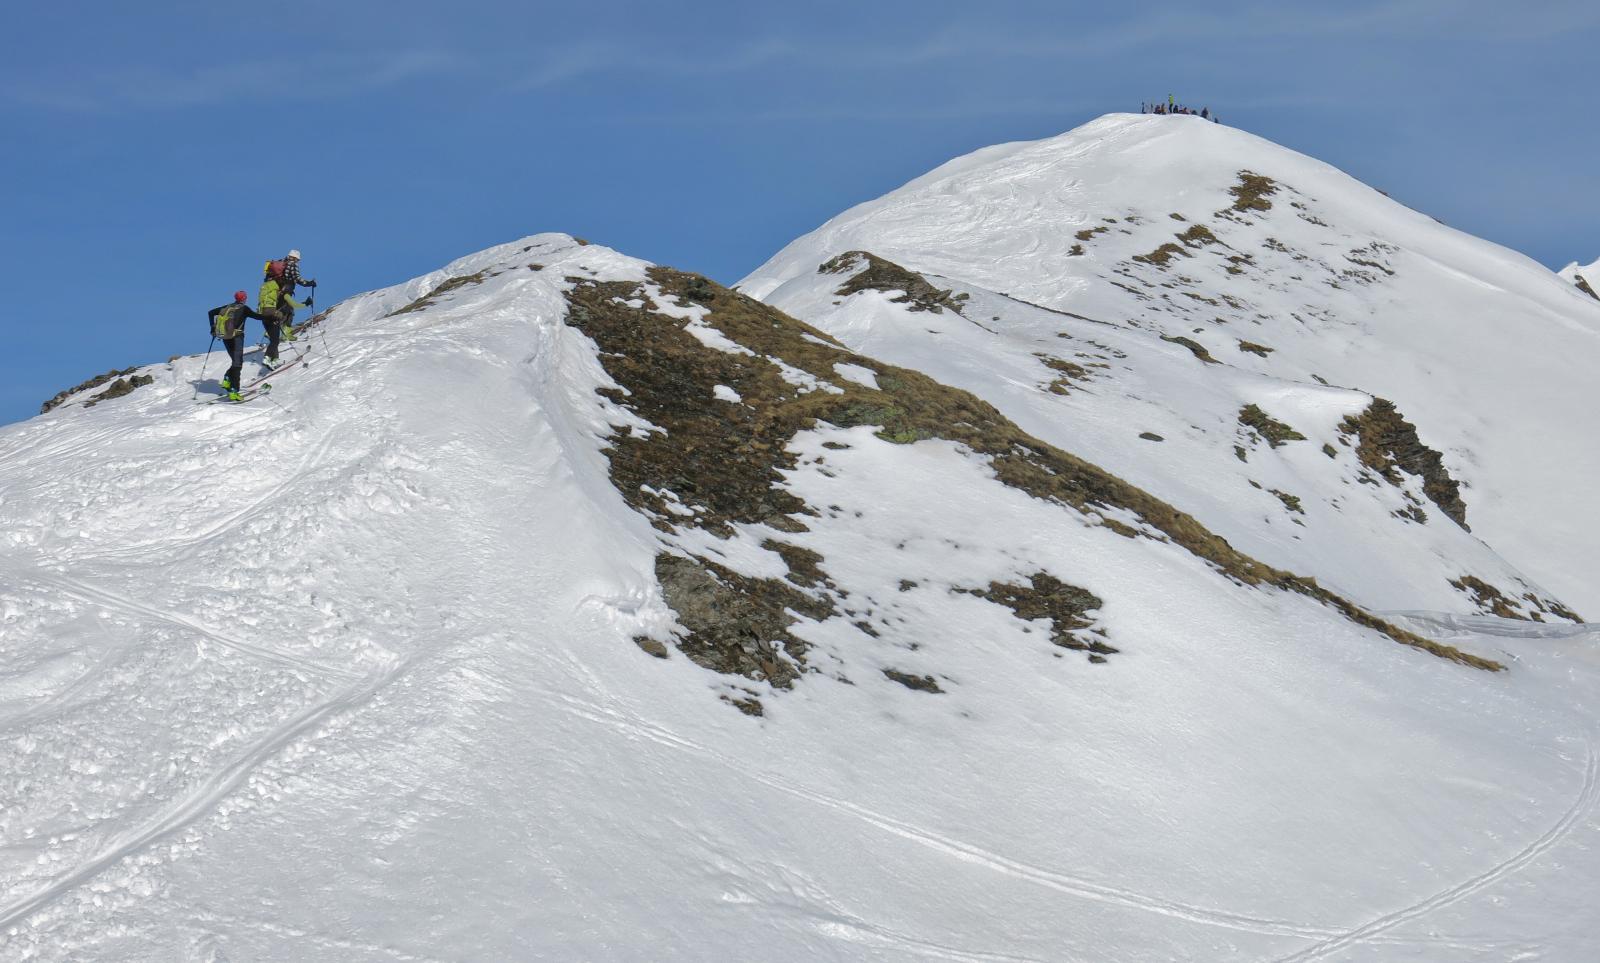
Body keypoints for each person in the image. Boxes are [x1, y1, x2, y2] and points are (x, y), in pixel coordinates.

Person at [208, 291, 269, 401]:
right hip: (237, 338)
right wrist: (272, 317)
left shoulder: (227, 307)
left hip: (226, 337)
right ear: (244, 299)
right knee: (238, 364)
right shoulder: (244, 308)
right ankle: (234, 391)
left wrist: (213, 328)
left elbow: (211, 312)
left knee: (236, 362)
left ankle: (227, 379)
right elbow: (257, 317)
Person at [258, 268, 312, 368]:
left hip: (264, 315)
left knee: (274, 340)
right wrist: (306, 304)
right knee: (275, 341)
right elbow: (295, 305)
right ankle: (267, 358)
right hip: (274, 317)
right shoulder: (285, 294)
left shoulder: (271, 290)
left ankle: (275, 360)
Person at [273, 249, 316, 343]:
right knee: (290, 312)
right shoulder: (293, 264)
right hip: (286, 291)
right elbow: (297, 278)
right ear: (296, 258)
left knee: (281, 311)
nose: (298, 261)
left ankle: (271, 332)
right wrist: (309, 283)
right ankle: (286, 334)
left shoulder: (282, 262)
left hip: (277, 291)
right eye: (298, 259)